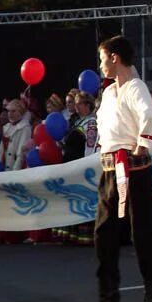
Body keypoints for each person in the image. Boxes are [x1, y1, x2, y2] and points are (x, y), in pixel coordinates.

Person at [82, 35, 152, 302]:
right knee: (103, 235)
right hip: (110, 170)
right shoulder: (108, 94)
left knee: (142, 234)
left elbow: (149, 117)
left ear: (115, 57)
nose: (102, 64)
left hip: (134, 171)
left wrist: (142, 144)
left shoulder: (135, 87)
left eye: (103, 58)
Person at [55, 91, 99, 246]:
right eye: (76, 103)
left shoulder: (91, 123)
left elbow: (91, 146)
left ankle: (84, 234)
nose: (76, 107)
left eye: (80, 103)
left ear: (88, 105)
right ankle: (70, 234)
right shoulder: (77, 122)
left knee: (83, 198)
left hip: (82, 165)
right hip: (71, 164)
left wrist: (87, 165)